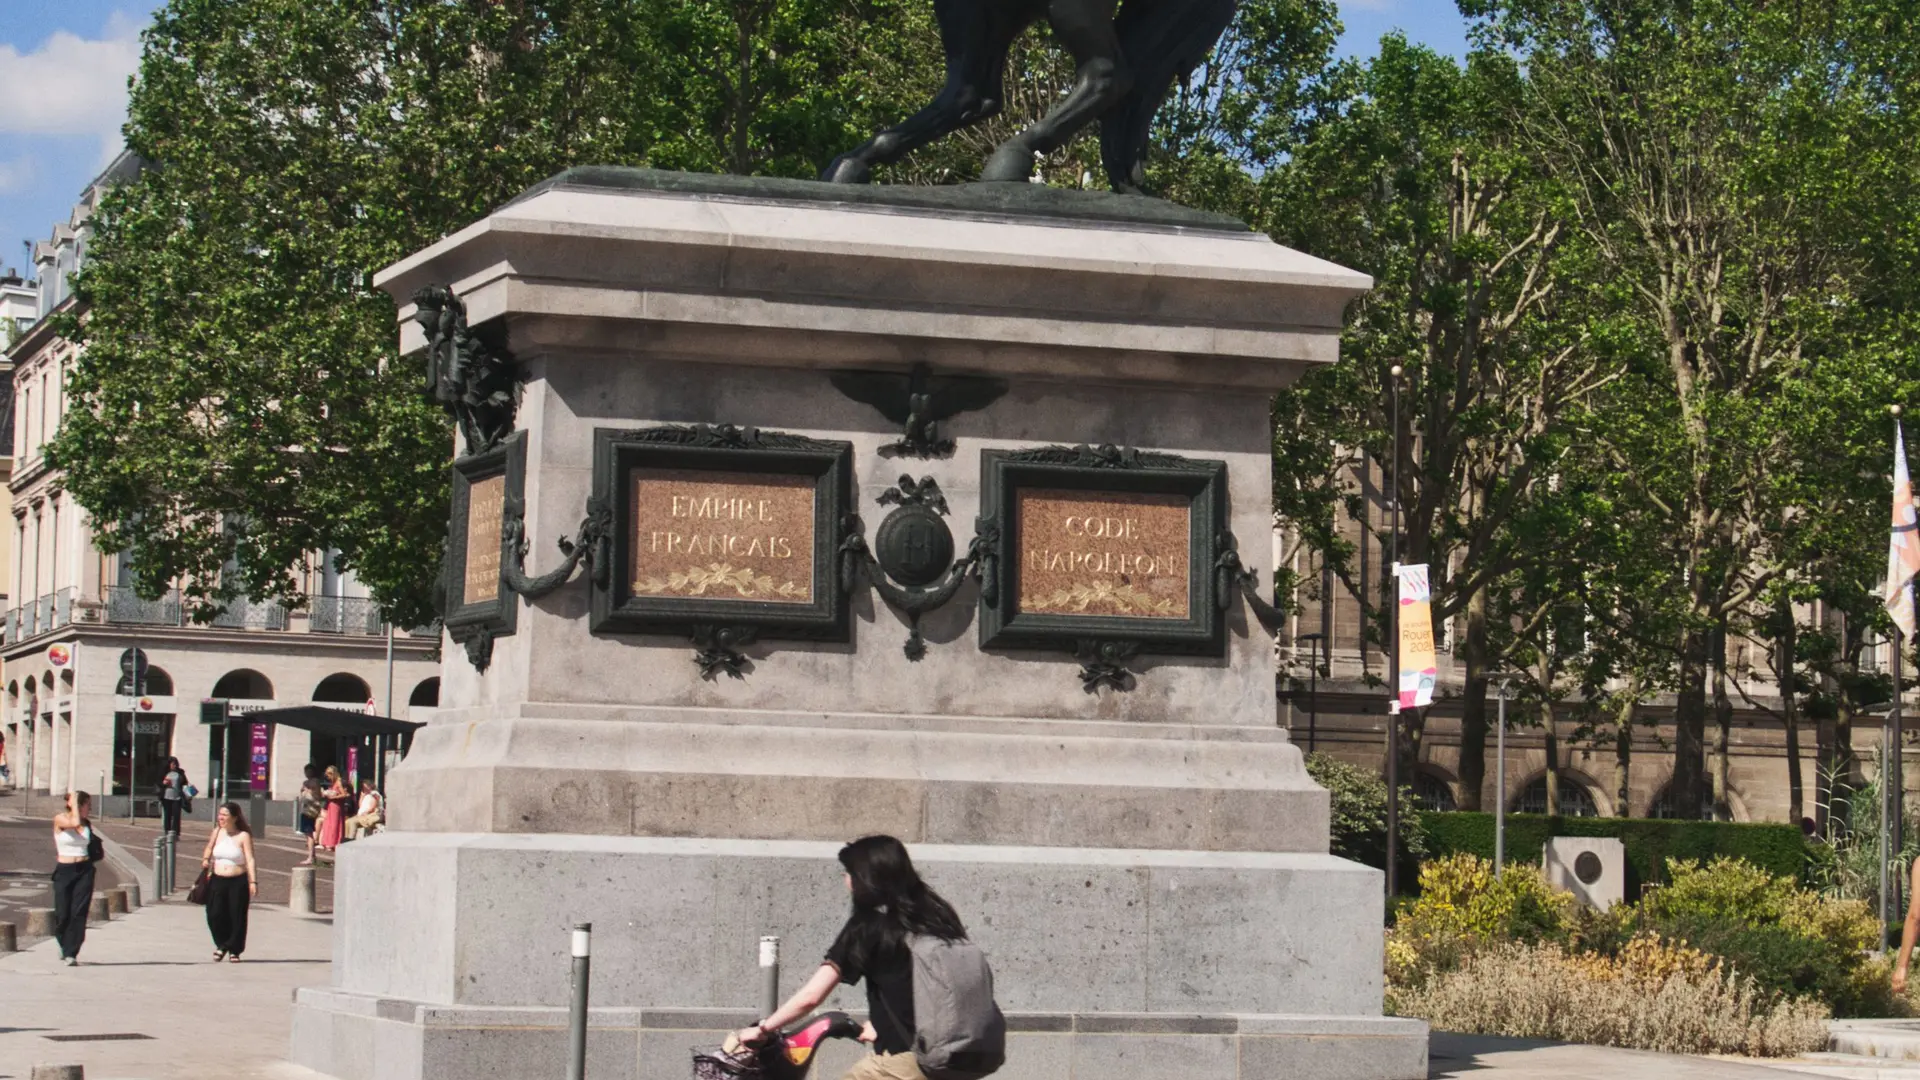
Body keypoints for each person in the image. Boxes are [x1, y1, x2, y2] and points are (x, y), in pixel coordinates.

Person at [732, 836, 976, 1080]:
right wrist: (882, 1024)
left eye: (848, 872)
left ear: (864, 879)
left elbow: (811, 997)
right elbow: (917, 984)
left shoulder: (868, 926)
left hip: (906, 1063)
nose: (845, 879)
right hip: (959, 1053)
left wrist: (762, 1029)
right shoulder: (936, 913)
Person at [198, 801, 258, 961]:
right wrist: (205, 858)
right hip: (217, 879)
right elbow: (209, 847)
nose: (221, 818)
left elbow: (250, 859)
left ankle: (234, 950)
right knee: (214, 914)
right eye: (220, 814)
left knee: (236, 915)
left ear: (235, 817)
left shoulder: (243, 836)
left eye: (225, 815)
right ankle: (222, 943)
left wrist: (253, 881)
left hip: (237, 881)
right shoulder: (217, 832)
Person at [51, 790, 97, 966]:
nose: (88, 809)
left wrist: (77, 808)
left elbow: (81, 828)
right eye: (86, 805)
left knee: (79, 912)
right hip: (64, 870)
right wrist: (75, 805)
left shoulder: (86, 823)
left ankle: (71, 952)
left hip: (84, 869)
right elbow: (74, 821)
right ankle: (62, 941)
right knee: (63, 913)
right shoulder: (60, 819)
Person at [316, 766, 349, 856]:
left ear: (333, 774)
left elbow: (344, 794)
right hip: (331, 805)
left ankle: (333, 843)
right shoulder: (333, 783)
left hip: (336, 805)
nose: (328, 777)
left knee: (334, 824)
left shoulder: (338, 782)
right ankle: (328, 842)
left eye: (329, 775)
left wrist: (334, 797)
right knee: (329, 823)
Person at [295, 764, 324, 865]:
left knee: (309, 833)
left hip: (310, 810)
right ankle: (312, 855)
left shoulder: (314, 782)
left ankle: (310, 856)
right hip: (305, 809)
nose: (306, 773)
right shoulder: (306, 782)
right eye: (305, 771)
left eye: (308, 771)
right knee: (307, 834)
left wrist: (306, 790)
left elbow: (315, 796)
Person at [158, 757, 190, 838]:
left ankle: (176, 833)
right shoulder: (164, 772)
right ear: (169, 764)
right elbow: (158, 783)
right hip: (166, 797)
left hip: (177, 797)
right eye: (172, 764)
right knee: (167, 815)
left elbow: (185, 783)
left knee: (176, 815)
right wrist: (163, 783)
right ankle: (167, 832)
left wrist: (187, 792)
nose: (174, 766)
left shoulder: (180, 772)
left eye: (175, 764)